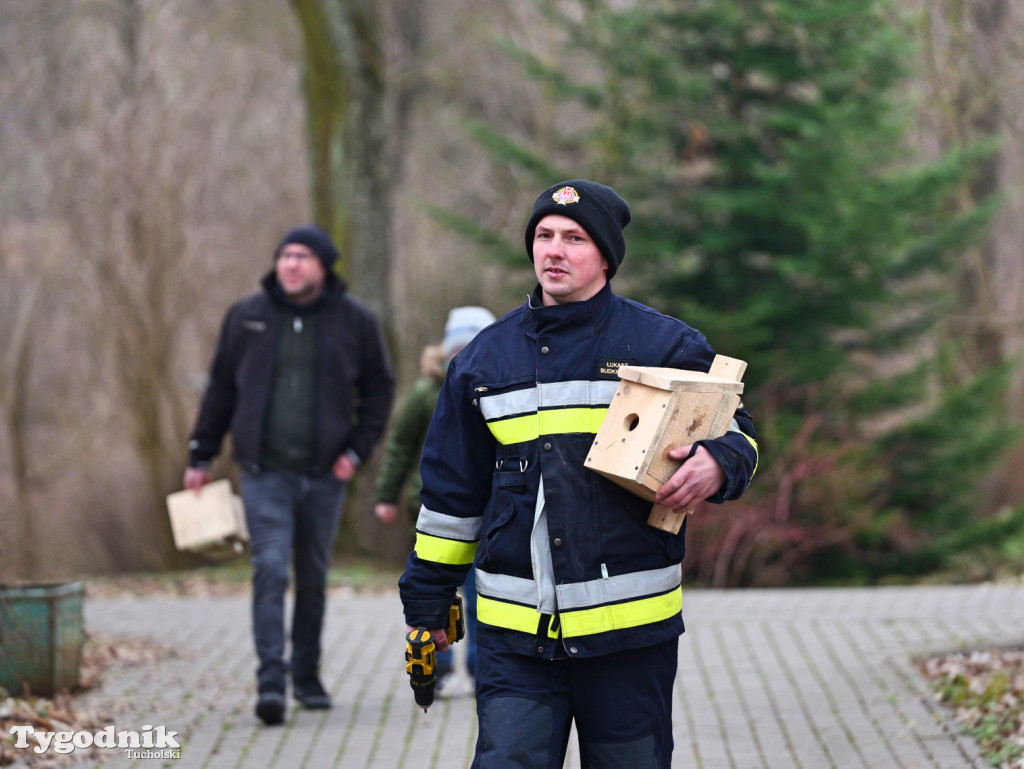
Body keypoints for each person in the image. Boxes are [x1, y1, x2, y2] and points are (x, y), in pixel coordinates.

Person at [398, 180, 758, 768]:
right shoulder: (481, 363)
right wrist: (427, 604)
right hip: (515, 639)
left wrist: (720, 461)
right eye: (543, 236)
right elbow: (450, 500)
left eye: (574, 238)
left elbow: (737, 429)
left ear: (607, 257)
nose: (553, 251)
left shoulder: (662, 344)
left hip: (630, 639)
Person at [183, 224, 394, 726]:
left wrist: (357, 452)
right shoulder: (247, 317)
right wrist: (200, 454)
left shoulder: (355, 320)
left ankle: (307, 675)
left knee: (314, 577)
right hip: (263, 471)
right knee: (271, 567)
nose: (291, 264)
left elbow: (380, 390)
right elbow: (220, 391)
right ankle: (271, 681)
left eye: (302, 256)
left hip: (326, 474)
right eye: (284, 256)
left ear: (323, 266)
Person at [374, 306, 496, 696]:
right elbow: (399, 446)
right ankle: (437, 666)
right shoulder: (426, 392)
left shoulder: (498, 388)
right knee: (435, 591)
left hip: (490, 509)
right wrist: (387, 495)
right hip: (431, 508)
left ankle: (481, 665)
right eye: (457, 349)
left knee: (481, 595)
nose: (463, 356)